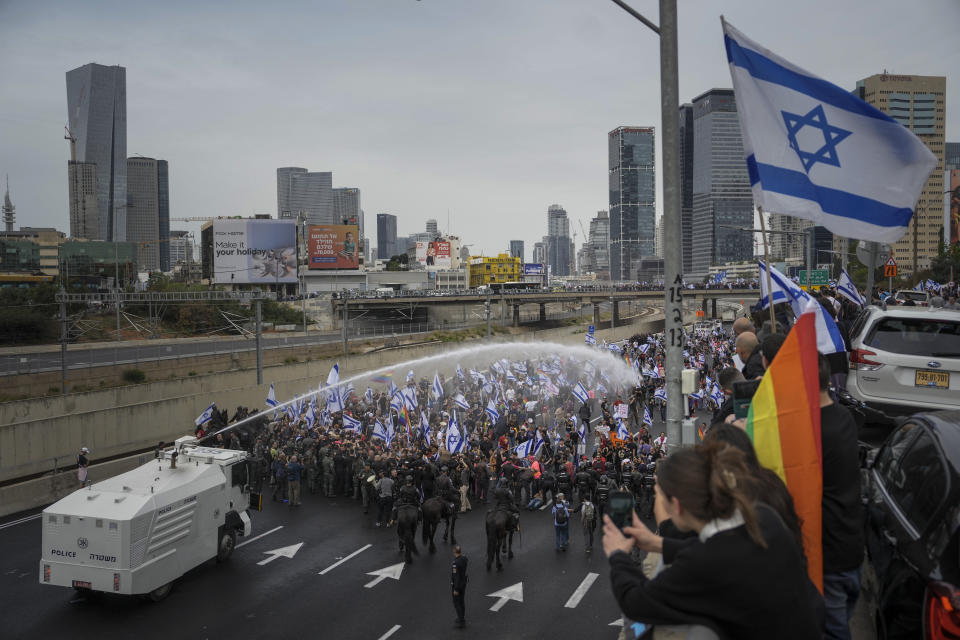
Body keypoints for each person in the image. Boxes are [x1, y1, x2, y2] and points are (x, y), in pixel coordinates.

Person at [602, 442, 822, 639]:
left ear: (676, 506)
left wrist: (618, 555)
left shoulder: (702, 563)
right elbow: (722, 551)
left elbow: (636, 602)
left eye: (659, 494)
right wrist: (657, 543)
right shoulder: (762, 516)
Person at [818, 354, 864, 640]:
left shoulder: (812, 430)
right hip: (852, 548)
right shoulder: (843, 417)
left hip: (829, 558)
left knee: (834, 633)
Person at [451, 544, 468, 629]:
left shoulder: (455, 563)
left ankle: (461, 621)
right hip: (463, 583)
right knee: (461, 601)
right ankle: (462, 617)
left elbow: (456, 576)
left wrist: (456, 589)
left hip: (457, 585)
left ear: (454, 551)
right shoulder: (464, 558)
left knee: (456, 603)